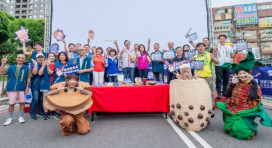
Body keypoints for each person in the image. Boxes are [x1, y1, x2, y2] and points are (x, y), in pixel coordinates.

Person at [217, 51, 272, 140]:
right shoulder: (235, 83)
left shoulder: (254, 85)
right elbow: (226, 95)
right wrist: (232, 84)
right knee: (228, 129)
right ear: (237, 75)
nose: (242, 75)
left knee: (242, 132)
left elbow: (253, 97)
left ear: (249, 73)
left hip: (245, 110)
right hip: (232, 108)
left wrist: (253, 83)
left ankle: (251, 126)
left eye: (244, 73)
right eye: (240, 74)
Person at [0, 54, 32, 126]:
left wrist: (27, 87)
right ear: (16, 59)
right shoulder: (11, 67)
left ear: (24, 60)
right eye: (19, 58)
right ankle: (10, 118)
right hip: (11, 88)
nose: (20, 59)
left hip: (22, 88)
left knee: (22, 103)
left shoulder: (27, 68)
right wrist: (3, 64)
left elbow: (28, 78)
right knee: (11, 103)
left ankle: (21, 117)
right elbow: (1, 72)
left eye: (22, 58)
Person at [192, 43, 219, 108]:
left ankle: (211, 105)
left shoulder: (209, 54)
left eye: (202, 46)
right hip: (199, 77)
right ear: (197, 49)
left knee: (210, 91)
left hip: (208, 76)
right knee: (199, 92)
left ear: (204, 47)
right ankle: (201, 105)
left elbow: (217, 62)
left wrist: (213, 59)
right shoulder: (195, 56)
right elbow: (194, 68)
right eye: (198, 47)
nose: (200, 48)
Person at [213, 34, 235, 99]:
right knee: (219, 79)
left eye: (223, 39)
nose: (222, 40)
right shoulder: (216, 47)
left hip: (227, 65)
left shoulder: (229, 47)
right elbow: (212, 56)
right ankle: (219, 92)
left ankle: (224, 92)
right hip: (219, 65)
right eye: (220, 39)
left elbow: (233, 56)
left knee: (226, 79)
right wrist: (214, 50)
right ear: (219, 40)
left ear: (225, 40)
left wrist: (236, 52)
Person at [39, 52, 55, 120]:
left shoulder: (55, 64)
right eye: (50, 56)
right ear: (47, 57)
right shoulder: (44, 64)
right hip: (45, 83)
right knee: (45, 99)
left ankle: (51, 111)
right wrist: (44, 65)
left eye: (52, 56)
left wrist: (48, 66)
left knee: (52, 99)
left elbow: (50, 72)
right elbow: (40, 73)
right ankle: (45, 113)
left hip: (54, 84)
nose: (51, 57)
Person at [29, 54, 46, 120]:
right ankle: (32, 113)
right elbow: (35, 73)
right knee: (35, 99)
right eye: (39, 57)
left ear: (44, 58)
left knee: (41, 100)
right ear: (36, 58)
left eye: (41, 57)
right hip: (35, 85)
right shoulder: (34, 65)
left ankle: (40, 112)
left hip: (43, 85)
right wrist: (35, 64)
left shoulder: (46, 65)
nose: (40, 59)